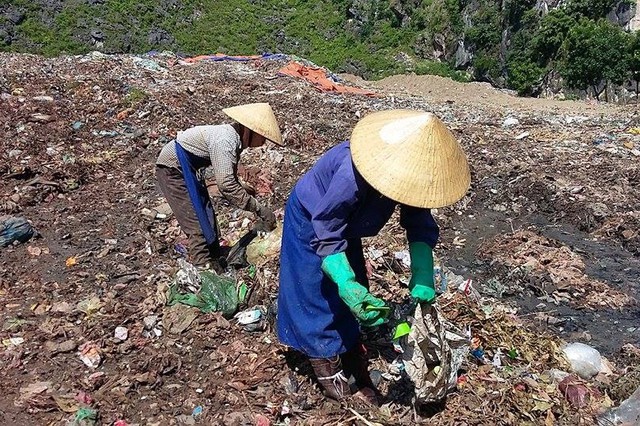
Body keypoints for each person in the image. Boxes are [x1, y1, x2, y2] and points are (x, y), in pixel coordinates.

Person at [276, 109, 470, 405]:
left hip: (349, 225)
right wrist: (343, 281)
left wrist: (422, 274)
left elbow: (419, 222)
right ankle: (323, 355)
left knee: (355, 283)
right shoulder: (351, 172)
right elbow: (327, 226)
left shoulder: (409, 176)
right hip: (313, 217)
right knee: (316, 289)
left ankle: (350, 344)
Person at [156, 102, 282, 270]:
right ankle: (204, 272)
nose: (264, 141)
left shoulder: (234, 140)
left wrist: (244, 192)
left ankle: (216, 259)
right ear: (251, 131)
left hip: (191, 171)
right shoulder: (226, 140)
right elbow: (226, 185)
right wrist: (258, 209)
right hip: (173, 170)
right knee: (196, 225)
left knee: (208, 219)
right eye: (263, 137)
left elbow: (229, 178)